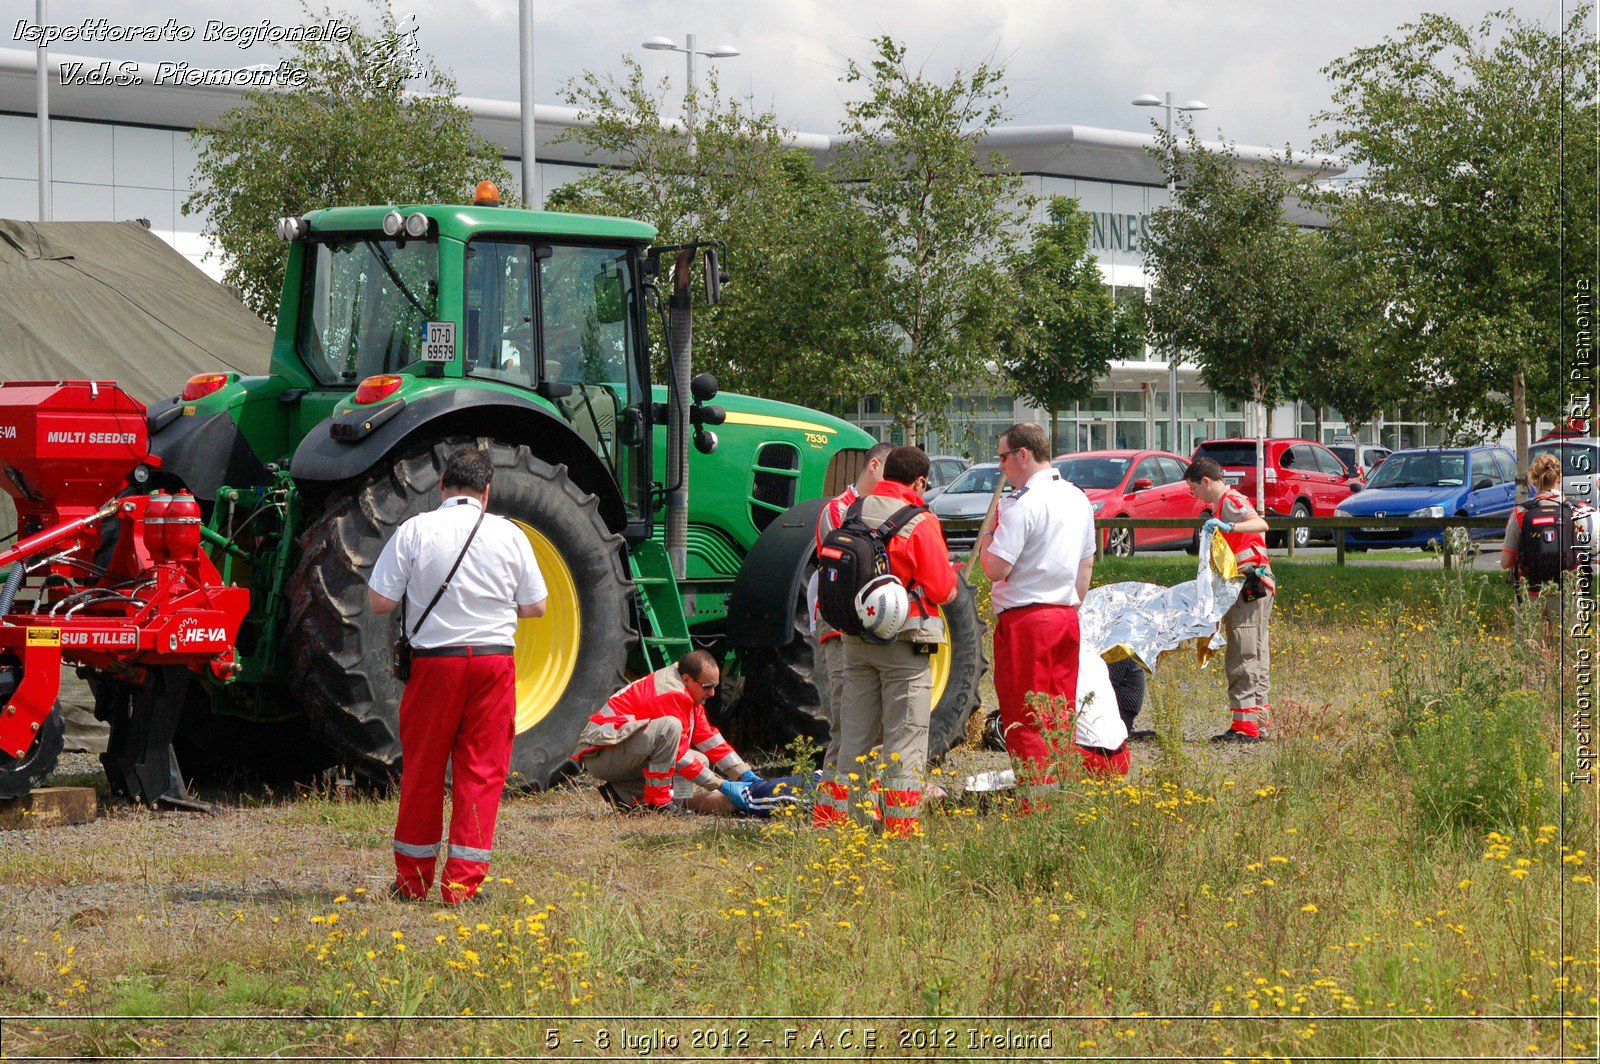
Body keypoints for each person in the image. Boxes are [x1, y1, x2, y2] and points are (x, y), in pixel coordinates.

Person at [368, 447, 548, 904]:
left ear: (442, 485)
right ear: (486, 491)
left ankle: (411, 882)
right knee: (482, 773)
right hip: (493, 663)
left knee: (424, 771)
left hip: (435, 664)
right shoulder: (509, 535)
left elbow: (379, 603)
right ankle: (463, 887)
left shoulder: (415, 529)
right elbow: (537, 607)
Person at [824, 446, 957, 837]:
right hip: (903, 643)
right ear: (919, 482)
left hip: (854, 641)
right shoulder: (919, 521)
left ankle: (847, 825)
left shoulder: (852, 510)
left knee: (854, 740)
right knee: (906, 739)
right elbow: (943, 588)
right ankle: (900, 832)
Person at [977, 423, 1098, 797]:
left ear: (1023, 455)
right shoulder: (1077, 498)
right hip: (1065, 614)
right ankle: (1061, 791)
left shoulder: (1021, 503)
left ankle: (1036, 803)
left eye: (1003, 457)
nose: (1001, 466)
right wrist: (1069, 601)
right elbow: (1086, 566)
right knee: (1059, 710)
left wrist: (987, 536)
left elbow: (997, 568)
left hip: (1027, 619)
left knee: (1024, 712)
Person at [811, 441, 894, 828]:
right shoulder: (837, 511)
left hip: (875, 629)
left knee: (874, 725)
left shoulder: (889, 510)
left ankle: (862, 809)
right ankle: (831, 816)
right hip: (843, 629)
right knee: (847, 723)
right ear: (874, 466)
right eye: (890, 473)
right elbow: (847, 570)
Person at [576, 650, 761, 815]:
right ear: (688, 679)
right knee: (670, 728)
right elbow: (679, 756)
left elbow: (708, 737)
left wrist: (743, 773)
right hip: (601, 755)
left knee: (700, 760)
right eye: (707, 687)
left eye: (715, 686)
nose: (712, 693)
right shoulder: (671, 694)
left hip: (616, 750)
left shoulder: (686, 691)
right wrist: (722, 785)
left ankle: (635, 796)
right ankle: (659, 804)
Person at [1183, 455, 1274, 743]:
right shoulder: (1223, 505)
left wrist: (1229, 527)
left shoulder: (1231, 503)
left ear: (1206, 481)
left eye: (1194, 488)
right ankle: (1259, 720)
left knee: (1243, 652)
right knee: (1256, 651)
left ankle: (1246, 725)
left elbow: (1260, 524)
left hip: (1251, 584)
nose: (1193, 495)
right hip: (1254, 584)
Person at [1502, 452, 1596, 605]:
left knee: (1529, 630)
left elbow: (1506, 562)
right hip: (1568, 591)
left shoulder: (1520, 513)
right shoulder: (1579, 511)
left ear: (1533, 479)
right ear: (1560, 477)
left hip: (1530, 593)